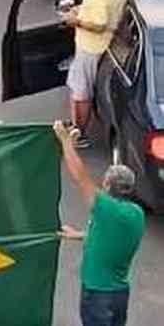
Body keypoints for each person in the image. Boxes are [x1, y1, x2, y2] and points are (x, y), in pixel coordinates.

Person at [53, 121, 145, 326]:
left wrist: (65, 142)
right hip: (119, 295)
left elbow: (79, 177)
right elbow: (109, 239)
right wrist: (78, 235)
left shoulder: (107, 209)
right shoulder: (135, 214)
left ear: (107, 185)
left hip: (98, 296)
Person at [59, 0, 130, 148]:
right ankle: (76, 127)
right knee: (81, 86)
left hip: (91, 46)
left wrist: (75, 20)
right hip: (106, 43)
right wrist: (81, 9)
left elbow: (99, 24)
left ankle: (78, 133)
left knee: (81, 91)